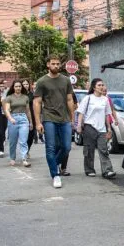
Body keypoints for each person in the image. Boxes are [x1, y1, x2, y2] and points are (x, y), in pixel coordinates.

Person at [34, 56, 75, 189]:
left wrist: (72, 117)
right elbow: (37, 102)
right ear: (48, 65)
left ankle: (54, 163)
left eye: (58, 64)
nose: (56, 66)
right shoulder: (42, 81)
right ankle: (55, 175)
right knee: (50, 147)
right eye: (53, 64)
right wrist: (38, 122)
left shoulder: (65, 80)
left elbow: (69, 99)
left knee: (66, 147)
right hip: (49, 117)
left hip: (64, 118)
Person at [77, 78, 116, 178]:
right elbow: (81, 112)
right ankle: (89, 169)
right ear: (94, 87)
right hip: (89, 126)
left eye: (102, 85)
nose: (101, 87)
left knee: (103, 150)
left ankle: (107, 170)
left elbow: (107, 114)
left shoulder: (105, 99)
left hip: (101, 129)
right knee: (89, 150)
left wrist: (109, 129)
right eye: (99, 85)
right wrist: (79, 125)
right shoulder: (88, 98)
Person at [4, 80, 32, 167]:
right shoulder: (9, 97)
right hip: (13, 118)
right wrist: (10, 118)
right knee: (13, 141)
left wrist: (30, 122)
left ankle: (24, 159)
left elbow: (28, 111)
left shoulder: (25, 97)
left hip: (24, 119)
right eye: (16, 86)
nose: (18, 88)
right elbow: (6, 110)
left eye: (19, 86)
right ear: (13, 87)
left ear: (21, 87)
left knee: (23, 141)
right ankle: (12, 158)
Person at [22, 79, 36, 158]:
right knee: (23, 135)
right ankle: (23, 151)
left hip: (32, 115)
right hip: (22, 115)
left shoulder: (32, 94)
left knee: (31, 135)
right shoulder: (19, 95)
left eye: (27, 84)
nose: (25, 86)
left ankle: (27, 150)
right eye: (24, 84)